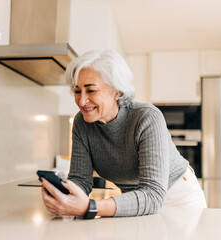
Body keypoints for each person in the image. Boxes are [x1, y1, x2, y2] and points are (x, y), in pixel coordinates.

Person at [40, 49, 207, 218]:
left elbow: (153, 195)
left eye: (91, 91)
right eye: (77, 91)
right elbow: (80, 181)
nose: (82, 101)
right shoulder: (81, 124)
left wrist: (90, 206)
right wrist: (64, 197)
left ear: (117, 91)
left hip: (178, 198)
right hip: (134, 201)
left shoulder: (146, 117)